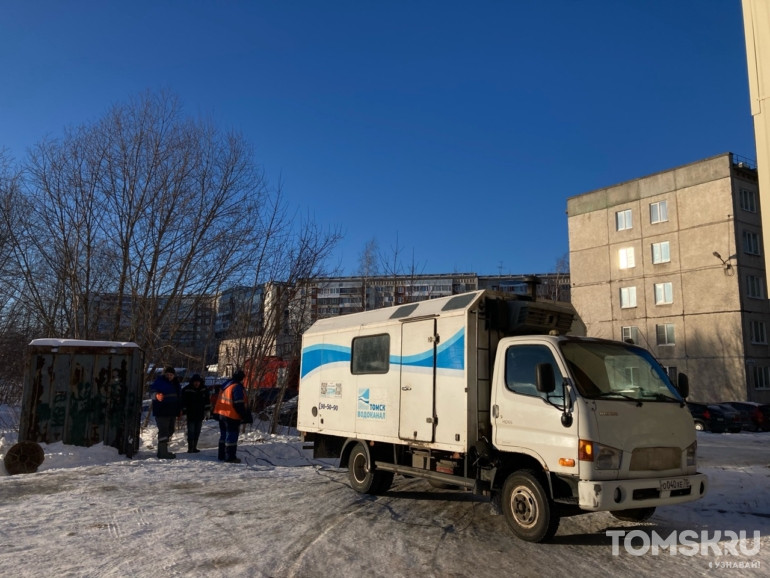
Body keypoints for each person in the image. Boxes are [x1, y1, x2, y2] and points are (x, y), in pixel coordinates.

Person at [214, 369, 252, 463]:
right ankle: (230, 457)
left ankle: (221, 455)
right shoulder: (237, 387)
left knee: (223, 436)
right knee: (231, 437)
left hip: (222, 414)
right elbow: (238, 403)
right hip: (231, 415)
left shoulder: (226, 385)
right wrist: (244, 415)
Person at [149, 366, 181, 459]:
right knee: (164, 431)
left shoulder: (176, 383)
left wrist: (179, 409)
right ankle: (163, 453)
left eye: (171, 375)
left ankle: (162, 451)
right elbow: (151, 393)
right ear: (164, 374)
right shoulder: (159, 382)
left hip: (172, 411)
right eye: (167, 374)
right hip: (162, 411)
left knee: (170, 430)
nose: (169, 376)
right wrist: (156, 395)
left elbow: (178, 397)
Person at [181, 374, 211, 453]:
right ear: (192, 382)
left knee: (197, 431)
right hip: (190, 414)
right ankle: (190, 448)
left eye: (198, 382)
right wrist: (184, 413)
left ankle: (194, 447)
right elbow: (183, 402)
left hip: (200, 414)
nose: (196, 384)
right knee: (191, 431)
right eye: (195, 382)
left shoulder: (204, 389)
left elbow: (207, 401)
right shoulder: (187, 390)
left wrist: (207, 411)